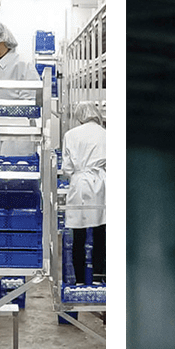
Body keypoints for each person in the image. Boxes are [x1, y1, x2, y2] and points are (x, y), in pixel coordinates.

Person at [61, 101, 106, 285]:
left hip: (79, 183)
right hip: (101, 182)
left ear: (79, 116)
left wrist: (75, 174)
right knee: (100, 230)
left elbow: (67, 167)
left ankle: (79, 280)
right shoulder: (106, 134)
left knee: (78, 234)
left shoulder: (71, 135)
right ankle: (99, 276)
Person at [0, 21, 38, 157]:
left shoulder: (23, 63)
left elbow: (30, 98)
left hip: (17, 126)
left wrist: (10, 110)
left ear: (6, 41)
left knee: (15, 167)